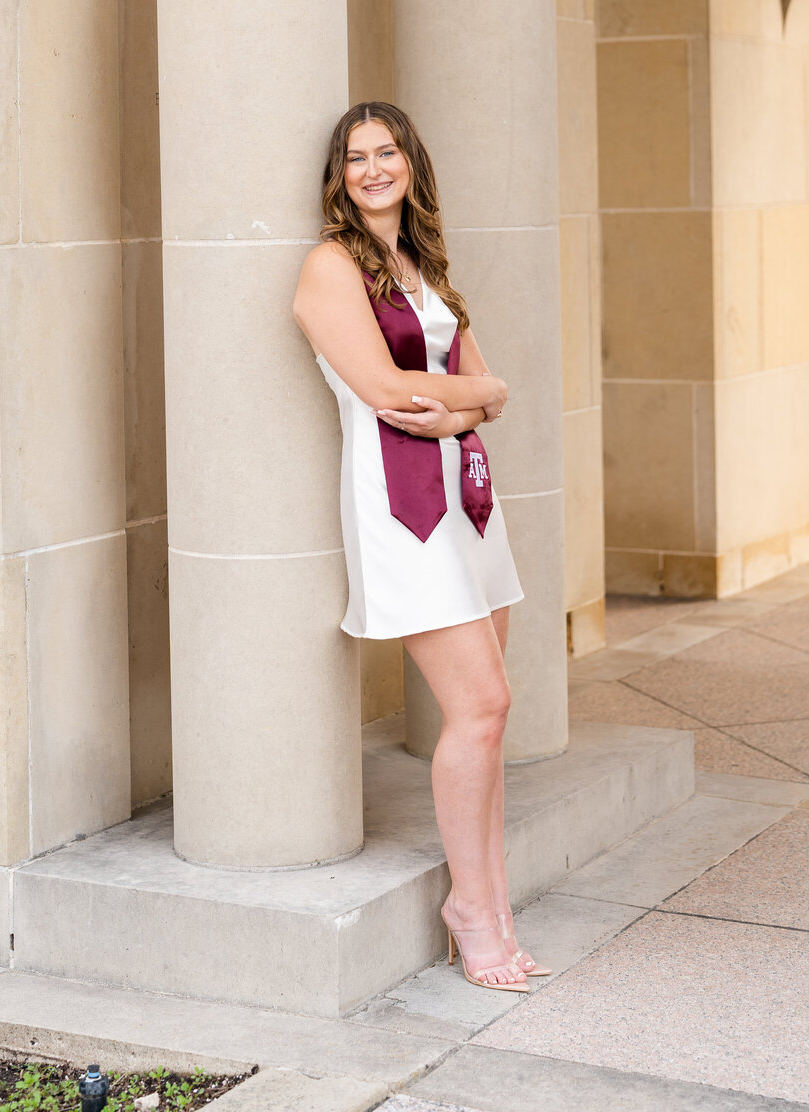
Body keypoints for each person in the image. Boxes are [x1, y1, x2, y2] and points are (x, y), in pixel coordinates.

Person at [293, 101, 550, 993]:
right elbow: (385, 390)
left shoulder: (422, 262)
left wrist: (473, 396)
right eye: (356, 156)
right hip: (405, 515)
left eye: (387, 152)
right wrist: (474, 393)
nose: (372, 168)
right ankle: (470, 912)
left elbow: (477, 392)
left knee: (488, 719)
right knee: (480, 706)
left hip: (469, 505)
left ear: (410, 163)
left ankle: (492, 899)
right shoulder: (331, 268)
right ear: (340, 173)